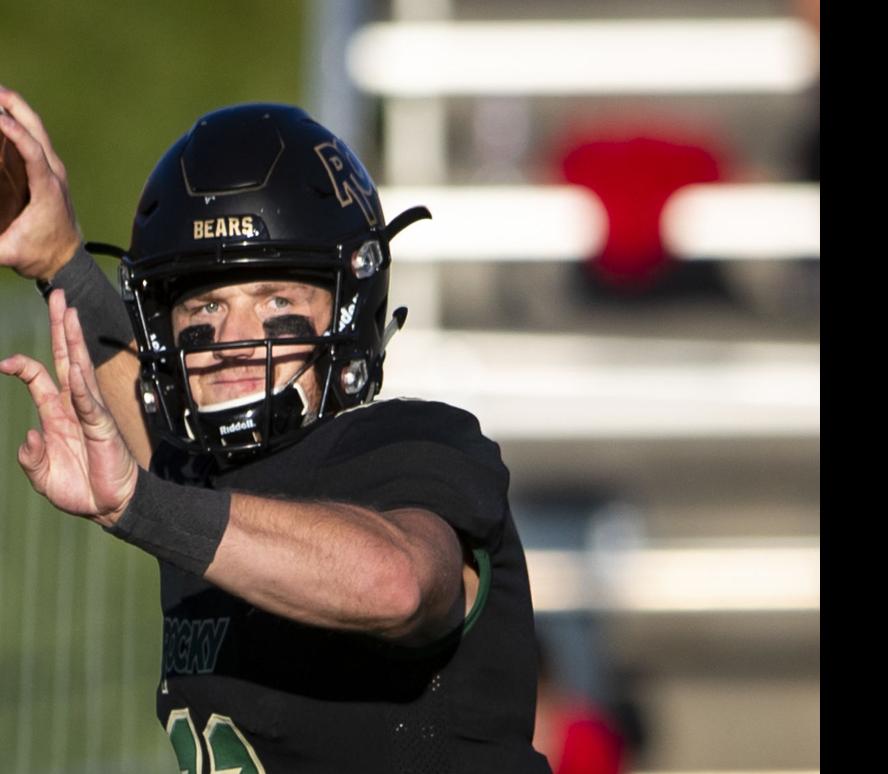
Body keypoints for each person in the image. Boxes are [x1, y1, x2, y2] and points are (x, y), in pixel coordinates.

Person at [0, 89, 551, 773]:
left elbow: (396, 583)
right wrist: (56, 258)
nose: (231, 340)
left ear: (350, 308)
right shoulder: (203, 487)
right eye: (203, 303)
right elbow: (167, 455)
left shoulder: (420, 445)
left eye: (277, 299)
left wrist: (139, 505)